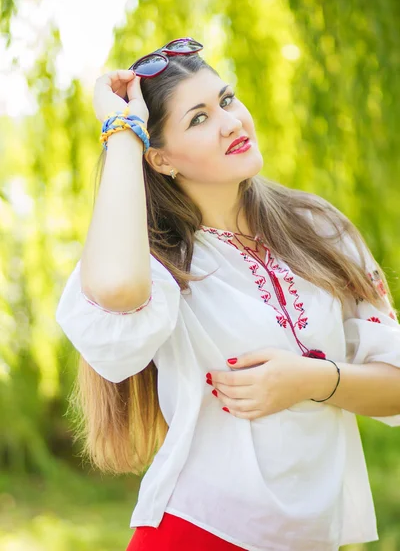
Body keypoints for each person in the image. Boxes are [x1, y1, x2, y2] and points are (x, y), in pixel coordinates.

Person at [55, 37, 400, 551]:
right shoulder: (162, 263)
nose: (231, 121)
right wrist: (122, 135)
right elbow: (116, 289)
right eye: (198, 119)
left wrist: (311, 380)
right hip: (200, 532)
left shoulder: (320, 228)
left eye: (227, 99)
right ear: (163, 159)